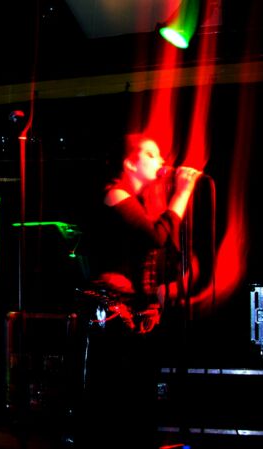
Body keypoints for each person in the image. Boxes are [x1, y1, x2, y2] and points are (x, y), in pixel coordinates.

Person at [73, 132, 202, 449]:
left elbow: (149, 253)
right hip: (112, 315)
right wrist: (182, 193)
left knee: (134, 396)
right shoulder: (115, 195)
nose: (161, 161)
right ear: (130, 163)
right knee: (117, 396)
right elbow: (155, 237)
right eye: (151, 154)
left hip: (128, 314)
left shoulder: (133, 201)